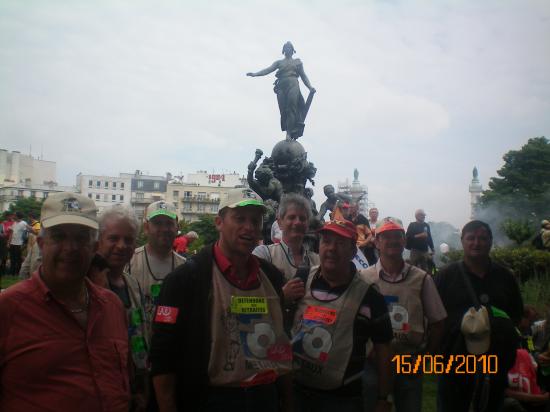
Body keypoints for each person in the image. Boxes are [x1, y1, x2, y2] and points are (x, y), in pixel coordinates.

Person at [150, 188, 292, 411]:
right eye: (239, 219)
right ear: (219, 222)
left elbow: (281, 338)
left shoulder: (271, 277)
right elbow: (162, 357)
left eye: (255, 221)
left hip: (264, 396)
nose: (249, 227)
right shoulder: (185, 279)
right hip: (212, 399)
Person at [0, 192, 130, 411]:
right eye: (59, 237)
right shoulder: (8, 310)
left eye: (81, 238)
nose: (70, 248)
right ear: (41, 244)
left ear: (95, 247)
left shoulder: (112, 306)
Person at [291, 218, 394, 412]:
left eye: (340, 243)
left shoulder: (370, 296)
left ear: (353, 251)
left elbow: (384, 349)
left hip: (343, 399)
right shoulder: (302, 279)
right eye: (326, 241)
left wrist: (382, 398)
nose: (331, 248)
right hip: (296, 392)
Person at [436, 220, 524, 412]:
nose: (477, 243)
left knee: (491, 405)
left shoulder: (504, 277)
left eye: (482, 238)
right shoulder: (446, 276)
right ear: (462, 241)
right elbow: (434, 316)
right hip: (455, 358)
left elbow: (516, 314)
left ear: (490, 242)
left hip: (495, 358)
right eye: (471, 238)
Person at [361, 217, 447, 412]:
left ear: (405, 241)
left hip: (408, 362)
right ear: (376, 242)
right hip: (372, 362)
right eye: (386, 236)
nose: (392, 241)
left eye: (397, 236)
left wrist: (426, 358)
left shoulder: (421, 278)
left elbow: (438, 322)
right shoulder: (364, 278)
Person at [95, 205, 150, 411]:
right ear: (99, 240)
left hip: (135, 387)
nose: (121, 246)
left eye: (128, 240)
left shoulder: (132, 284)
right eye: (113, 238)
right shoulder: (87, 286)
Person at [128, 201, 185, 333]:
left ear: (177, 227)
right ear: (146, 228)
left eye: (169, 223)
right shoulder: (129, 262)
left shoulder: (185, 268)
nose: (164, 229)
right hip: (137, 347)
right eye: (158, 223)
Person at [253, 193, 320, 305]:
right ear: (279, 223)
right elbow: (250, 298)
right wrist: (281, 296)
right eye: (291, 217)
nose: (298, 222)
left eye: (302, 218)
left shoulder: (317, 261)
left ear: (307, 224)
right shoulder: (264, 254)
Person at [247, 41, 316, 140]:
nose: (288, 49)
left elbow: (303, 76)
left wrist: (310, 87)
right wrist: (255, 74)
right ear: (283, 50)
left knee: (291, 107)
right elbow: (268, 70)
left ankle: (289, 133)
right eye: (286, 48)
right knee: (284, 110)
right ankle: (288, 128)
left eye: (290, 48)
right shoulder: (279, 63)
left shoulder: (297, 62)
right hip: (281, 86)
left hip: (293, 84)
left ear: (293, 50)